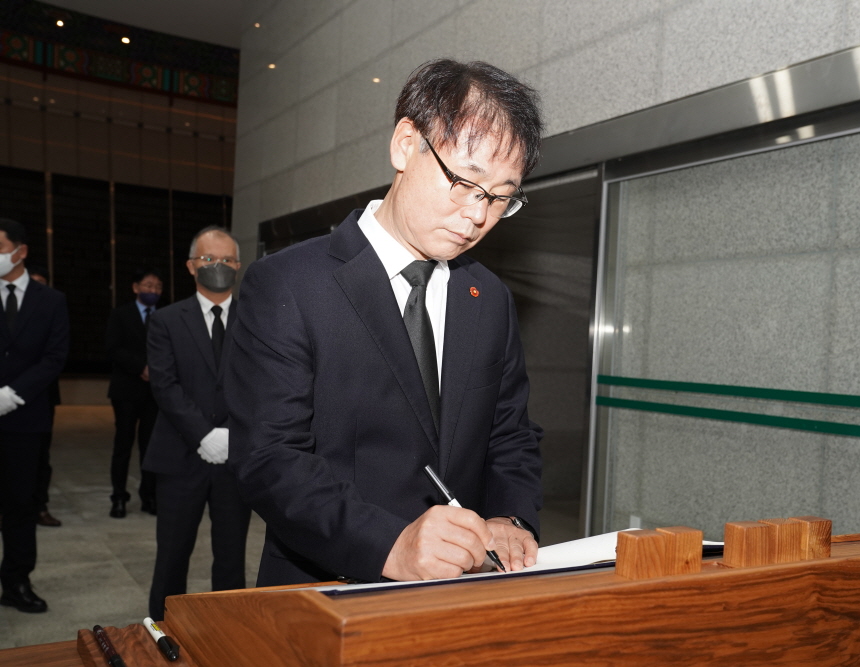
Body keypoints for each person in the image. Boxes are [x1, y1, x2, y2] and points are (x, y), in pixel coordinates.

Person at [227, 59, 544, 587]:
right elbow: (270, 459)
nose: (477, 215)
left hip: (463, 584)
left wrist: (509, 518)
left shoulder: (488, 297)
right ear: (405, 145)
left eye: (500, 197)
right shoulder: (289, 284)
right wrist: (387, 546)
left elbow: (510, 433)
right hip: (326, 586)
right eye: (466, 182)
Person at [142, 226, 251, 620]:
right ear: (191, 266)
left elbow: (264, 384)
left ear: (237, 266)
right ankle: (162, 630)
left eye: (226, 260)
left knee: (231, 557)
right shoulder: (166, 320)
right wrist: (203, 435)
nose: (217, 266)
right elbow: (164, 384)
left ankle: (227, 630)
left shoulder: (257, 319)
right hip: (180, 456)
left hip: (235, 459)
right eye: (208, 259)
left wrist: (233, 433)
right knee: (172, 555)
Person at [0, 219, 69, 613]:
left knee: (20, 502)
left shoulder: (51, 301)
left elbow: (55, 357)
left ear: (20, 251)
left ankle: (16, 581)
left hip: (26, 419)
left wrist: (12, 394)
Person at [106, 267, 164, 518]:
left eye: (157, 287)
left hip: (155, 393)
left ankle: (149, 496)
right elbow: (113, 348)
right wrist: (141, 367)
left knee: (151, 446)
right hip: (126, 390)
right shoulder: (120, 314)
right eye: (148, 285)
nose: (153, 290)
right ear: (136, 287)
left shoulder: (165, 315)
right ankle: (119, 497)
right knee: (123, 445)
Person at [27, 266, 63, 528]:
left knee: (41, 456)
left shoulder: (53, 313)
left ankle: (40, 506)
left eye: (42, 283)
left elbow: (57, 354)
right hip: (8, 395)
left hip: (43, 395)